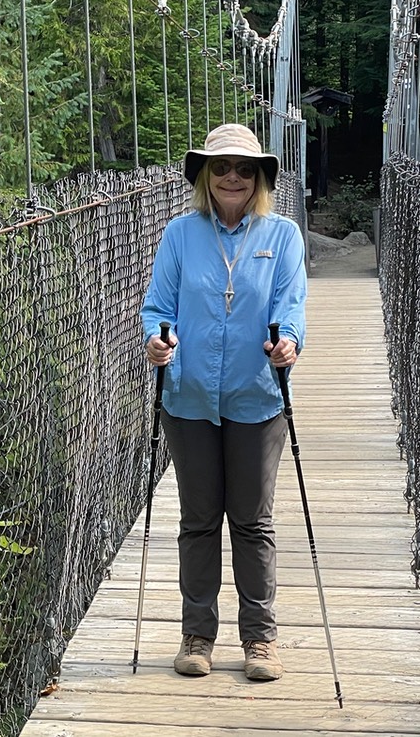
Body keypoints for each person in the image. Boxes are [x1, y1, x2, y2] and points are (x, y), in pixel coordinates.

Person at [140, 123, 307, 681]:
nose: (232, 177)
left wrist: (289, 341)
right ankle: (197, 636)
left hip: (257, 397)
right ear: (205, 177)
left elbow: (292, 306)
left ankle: (260, 640)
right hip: (187, 399)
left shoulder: (282, 236)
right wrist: (157, 340)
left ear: (259, 177)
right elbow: (156, 306)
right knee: (199, 519)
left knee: (253, 521)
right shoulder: (179, 235)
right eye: (221, 168)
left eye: (244, 169)